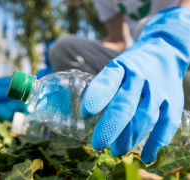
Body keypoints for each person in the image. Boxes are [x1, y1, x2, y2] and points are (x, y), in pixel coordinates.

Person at [49, 0, 190, 164]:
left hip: (182, 54)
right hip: (142, 58)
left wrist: (168, 44)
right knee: (64, 49)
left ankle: (172, 109)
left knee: (142, 26)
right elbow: (119, 42)